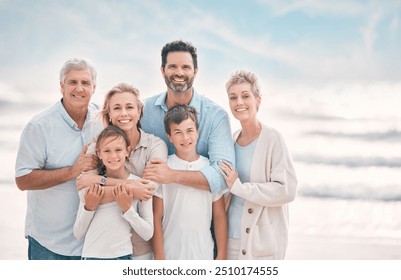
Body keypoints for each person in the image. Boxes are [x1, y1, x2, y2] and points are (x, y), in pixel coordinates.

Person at [15, 58, 103, 260]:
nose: (79, 89)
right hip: (49, 243)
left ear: (94, 87)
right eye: (72, 82)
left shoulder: (103, 120)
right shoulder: (39, 127)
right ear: (61, 86)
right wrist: (72, 171)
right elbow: (23, 180)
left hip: (91, 243)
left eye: (85, 83)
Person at [76, 82, 167, 259]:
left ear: (139, 111)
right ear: (109, 114)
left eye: (129, 107)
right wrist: (132, 186)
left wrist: (100, 181)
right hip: (101, 249)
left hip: (141, 250)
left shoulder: (155, 145)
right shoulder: (97, 145)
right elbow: (85, 192)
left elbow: (147, 190)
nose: (124, 113)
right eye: (117, 108)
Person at [218, 70, 297, 260]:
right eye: (233, 97)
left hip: (259, 242)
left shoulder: (272, 139)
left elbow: (286, 190)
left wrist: (240, 188)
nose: (239, 103)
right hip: (229, 241)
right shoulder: (231, 140)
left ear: (258, 100)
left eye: (246, 96)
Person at [141, 39, 235, 194]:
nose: (179, 73)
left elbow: (223, 177)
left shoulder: (216, 116)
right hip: (152, 211)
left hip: (200, 211)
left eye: (186, 67)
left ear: (195, 71)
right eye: (172, 67)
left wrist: (171, 175)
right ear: (162, 70)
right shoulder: (143, 111)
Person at [152, 105, 227, 260]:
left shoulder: (209, 169)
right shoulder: (165, 167)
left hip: (203, 253)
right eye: (178, 132)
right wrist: (160, 258)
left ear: (198, 132)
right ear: (170, 137)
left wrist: (222, 254)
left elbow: (219, 215)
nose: (185, 138)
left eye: (189, 131)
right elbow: (156, 217)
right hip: (170, 253)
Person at [73, 125, 153, 260]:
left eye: (118, 150)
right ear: (99, 153)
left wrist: (128, 210)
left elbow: (148, 233)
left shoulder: (140, 185)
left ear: (127, 151)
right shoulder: (90, 184)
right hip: (91, 258)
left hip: (122, 256)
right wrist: (89, 209)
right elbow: (78, 233)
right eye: (107, 151)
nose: (113, 156)